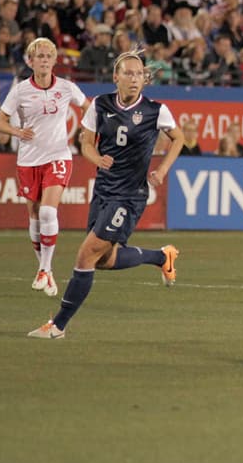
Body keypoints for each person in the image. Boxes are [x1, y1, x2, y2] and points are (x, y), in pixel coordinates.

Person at [28, 50, 185, 339]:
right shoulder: (100, 104)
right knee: (102, 259)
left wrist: (162, 170)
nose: (134, 78)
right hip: (103, 190)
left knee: (86, 254)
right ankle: (162, 257)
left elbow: (179, 138)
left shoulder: (155, 110)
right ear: (116, 77)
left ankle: (58, 326)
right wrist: (96, 158)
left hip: (129, 195)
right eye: (128, 73)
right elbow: (86, 142)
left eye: (138, 74)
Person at [0, 38, 90, 297]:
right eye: (39, 56)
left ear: (55, 60)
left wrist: (86, 131)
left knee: (48, 212)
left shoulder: (67, 87)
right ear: (31, 60)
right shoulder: (20, 90)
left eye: (49, 55)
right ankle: (44, 270)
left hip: (58, 156)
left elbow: (88, 108)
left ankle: (45, 269)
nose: (44, 59)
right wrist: (17, 131)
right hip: (28, 160)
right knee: (35, 216)